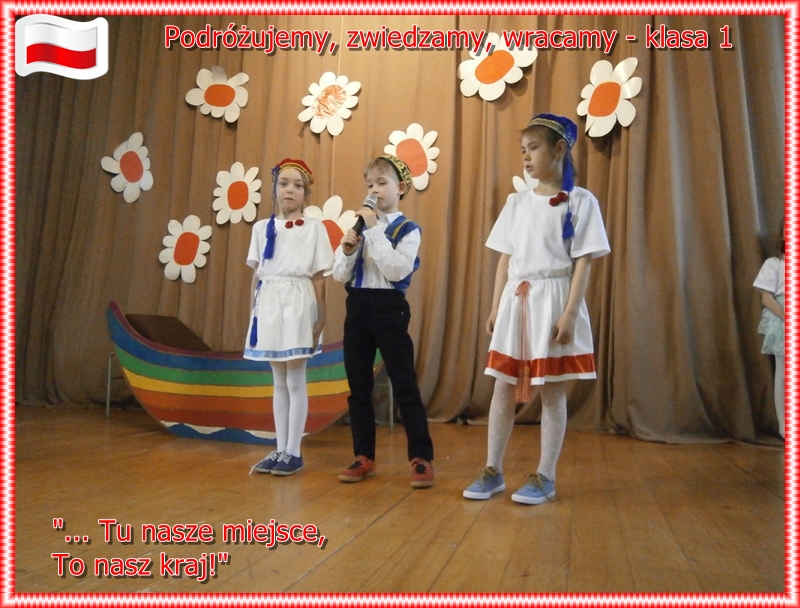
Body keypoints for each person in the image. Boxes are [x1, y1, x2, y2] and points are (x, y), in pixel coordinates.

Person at [463, 114, 610, 504]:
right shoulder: (517, 203)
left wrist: (570, 313)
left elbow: (584, 262)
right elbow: (505, 259)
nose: (526, 157)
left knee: (552, 390)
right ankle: (493, 469)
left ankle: (546, 474)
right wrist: (496, 307)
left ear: (559, 149)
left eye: (534, 148)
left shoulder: (581, 201)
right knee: (502, 385)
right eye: (523, 150)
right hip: (518, 301)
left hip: (554, 300)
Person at [332, 154, 435, 488]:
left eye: (381, 183)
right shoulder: (360, 227)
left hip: (389, 308)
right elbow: (339, 275)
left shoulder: (408, 230)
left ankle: (421, 458)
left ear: (400, 188)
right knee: (358, 386)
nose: (374, 190)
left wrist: (374, 230)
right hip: (357, 308)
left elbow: (396, 270)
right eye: (369, 184)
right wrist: (347, 251)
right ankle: (363, 455)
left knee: (404, 383)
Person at [244, 158, 334, 476]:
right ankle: (280, 447)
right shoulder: (260, 228)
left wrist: (321, 317)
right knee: (278, 380)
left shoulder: (314, 229)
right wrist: (254, 314)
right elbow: (257, 274)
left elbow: (320, 277)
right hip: (269, 303)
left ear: (306, 192)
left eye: (297, 185)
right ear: (275, 189)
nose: (290, 190)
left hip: (298, 302)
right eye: (284, 184)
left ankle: (294, 451)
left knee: (295, 379)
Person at [754, 224, 785, 439]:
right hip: (784, 319)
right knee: (784, 375)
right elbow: (766, 297)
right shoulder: (774, 264)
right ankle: (786, 427)